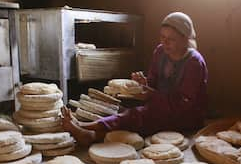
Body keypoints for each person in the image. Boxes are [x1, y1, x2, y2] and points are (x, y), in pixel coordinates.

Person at [61, 11, 209, 146]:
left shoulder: (194, 62)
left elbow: (183, 104)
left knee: (137, 116)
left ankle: (84, 126)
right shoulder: (160, 52)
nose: (165, 43)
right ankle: (90, 134)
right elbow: (153, 82)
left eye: (171, 39)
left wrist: (151, 95)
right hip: (161, 107)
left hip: (186, 116)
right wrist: (143, 83)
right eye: (162, 37)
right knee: (129, 113)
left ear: (185, 39)